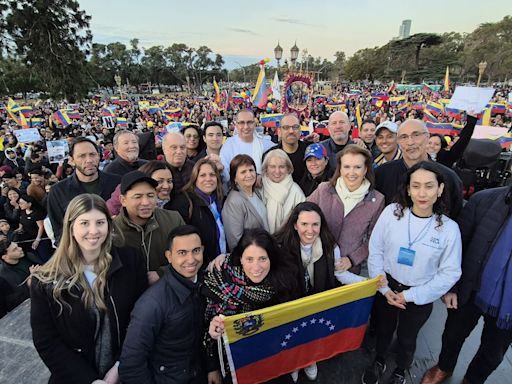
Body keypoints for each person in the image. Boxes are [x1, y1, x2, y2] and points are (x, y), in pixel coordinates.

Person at [30, 194, 148, 384]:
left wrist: (119, 365)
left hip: (127, 371)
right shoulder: (45, 280)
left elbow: (140, 320)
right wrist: (90, 380)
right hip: (74, 378)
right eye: (84, 223)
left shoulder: (131, 261)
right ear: (71, 227)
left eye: (100, 222)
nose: (93, 231)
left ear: (109, 225)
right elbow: (47, 341)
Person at [363, 161, 462, 384]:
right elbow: (376, 249)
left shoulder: (448, 229)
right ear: (408, 189)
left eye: (429, 186)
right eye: (415, 186)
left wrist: (410, 296)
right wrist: (384, 287)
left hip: (419, 295)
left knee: (408, 338)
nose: (422, 193)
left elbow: (450, 273)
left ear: (440, 189)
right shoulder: (392, 213)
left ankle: (401, 369)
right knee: (384, 330)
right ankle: (379, 360)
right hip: (387, 286)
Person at [420, 184, 512, 384]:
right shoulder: (483, 200)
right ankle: (444, 367)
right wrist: (450, 287)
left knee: (493, 352)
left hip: (508, 308)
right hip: (470, 288)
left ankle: (473, 379)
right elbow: (456, 247)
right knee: (453, 335)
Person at [274, 201, 371, 381]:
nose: (310, 230)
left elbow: (340, 274)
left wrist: (367, 283)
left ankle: (309, 360)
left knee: (312, 334)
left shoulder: (330, 246)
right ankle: (294, 363)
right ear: (295, 225)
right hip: (291, 303)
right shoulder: (279, 246)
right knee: (293, 336)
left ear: (321, 225)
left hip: (317, 301)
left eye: (315, 224)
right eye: (304, 224)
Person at [205, 228, 299, 384]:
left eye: (262, 259)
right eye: (249, 259)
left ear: (271, 258)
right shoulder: (219, 280)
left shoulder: (283, 283)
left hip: (274, 358)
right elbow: (208, 328)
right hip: (237, 364)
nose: (256, 267)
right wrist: (212, 365)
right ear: (240, 259)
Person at [119, 225, 208, 384]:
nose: (191, 259)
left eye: (196, 251)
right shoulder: (152, 303)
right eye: (182, 253)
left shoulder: (205, 284)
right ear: (169, 256)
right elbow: (131, 364)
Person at [308, 145, 385, 274]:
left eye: (357, 167)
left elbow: (375, 240)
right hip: (318, 264)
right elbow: (301, 214)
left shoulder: (376, 200)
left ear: (365, 169)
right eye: (347, 167)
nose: (352, 172)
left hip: (350, 270)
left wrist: (352, 259)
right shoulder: (324, 189)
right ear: (340, 168)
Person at [375, 119, 463, 219]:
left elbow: (456, 217)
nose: (410, 142)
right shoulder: (381, 174)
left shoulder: (449, 178)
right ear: (398, 141)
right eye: (404, 137)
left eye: (416, 135)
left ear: (427, 137)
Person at [114, 171, 185, 285]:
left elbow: (187, 256)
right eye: (138, 197)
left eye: (150, 196)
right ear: (123, 200)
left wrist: (162, 273)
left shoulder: (173, 219)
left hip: (170, 288)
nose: (146, 202)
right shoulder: (113, 230)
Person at [47, 137, 121, 244]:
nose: (89, 160)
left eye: (92, 154)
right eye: (82, 156)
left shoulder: (117, 183)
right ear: (71, 160)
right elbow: (59, 232)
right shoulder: (58, 191)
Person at [167, 158, 226, 266]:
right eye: (202, 175)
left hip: (223, 262)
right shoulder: (184, 202)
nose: (208, 179)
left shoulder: (221, 200)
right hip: (199, 267)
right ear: (195, 178)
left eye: (212, 175)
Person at [222, 154, 269, 250]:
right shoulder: (234, 202)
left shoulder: (257, 192)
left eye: (251, 170)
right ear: (235, 178)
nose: (249, 175)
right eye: (243, 172)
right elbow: (235, 240)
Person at [220, 109, 275, 183]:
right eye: (242, 123)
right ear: (236, 125)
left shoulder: (265, 144)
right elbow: (225, 175)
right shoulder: (229, 145)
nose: (246, 127)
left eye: (249, 122)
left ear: (254, 124)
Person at [261, 149, 305, 234]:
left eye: (282, 167)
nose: (277, 171)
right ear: (266, 168)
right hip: (262, 241)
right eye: (272, 166)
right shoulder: (258, 187)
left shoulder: (296, 191)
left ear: (288, 169)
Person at [264, 113, 309, 183]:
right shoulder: (269, 156)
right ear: (279, 132)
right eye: (286, 127)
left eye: (295, 127)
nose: (291, 131)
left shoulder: (310, 151)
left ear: (300, 131)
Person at [0, 239, 38, 314]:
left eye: (17, 246)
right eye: (15, 249)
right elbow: (14, 303)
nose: (20, 249)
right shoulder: (3, 276)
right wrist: (31, 279)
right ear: (4, 257)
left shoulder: (28, 257)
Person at [16, 194, 52, 262]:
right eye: (19, 203)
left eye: (22, 203)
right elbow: (21, 221)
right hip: (28, 237)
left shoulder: (37, 213)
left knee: (45, 257)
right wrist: (20, 228)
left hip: (40, 238)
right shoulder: (23, 211)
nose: (20, 205)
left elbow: (41, 227)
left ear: (29, 204)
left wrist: (37, 240)